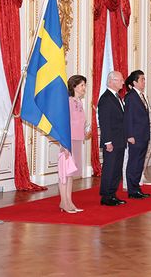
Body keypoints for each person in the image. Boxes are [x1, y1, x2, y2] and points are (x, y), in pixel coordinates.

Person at [59, 75, 89, 213]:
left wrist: (85, 132)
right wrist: (64, 145)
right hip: (68, 141)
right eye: (82, 85)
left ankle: (69, 201)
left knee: (71, 173)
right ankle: (63, 202)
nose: (84, 88)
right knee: (65, 173)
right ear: (74, 86)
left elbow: (80, 123)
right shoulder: (68, 102)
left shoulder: (79, 102)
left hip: (77, 140)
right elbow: (63, 124)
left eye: (84, 85)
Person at [98, 71, 127, 206]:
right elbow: (105, 122)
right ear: (111, 81)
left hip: (120, 140)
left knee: (116, 169)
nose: (123, 82)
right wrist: (107, 141)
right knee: (109, 168)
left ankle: (112, 194)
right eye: (120, 80)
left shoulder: (116, 97)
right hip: (112, 141)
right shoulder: (105, 99)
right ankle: (106, 196)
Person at [123, 70, 151, 199]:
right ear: (135, 82)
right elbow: (128, 117)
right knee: (134, 162)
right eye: (142, 79)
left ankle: (136, 187)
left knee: (139, 162)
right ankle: (132, 189)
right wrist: (129, 135)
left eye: (144, 79)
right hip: (135, 136)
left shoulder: (141, 95)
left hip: (143, 135)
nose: (144, 82)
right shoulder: (130, 97)